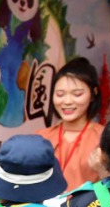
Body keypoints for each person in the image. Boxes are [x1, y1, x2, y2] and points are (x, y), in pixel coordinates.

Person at [38, 57, 104, 191]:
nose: (67, 101)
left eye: (77, 94)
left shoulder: (105, 138)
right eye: (60, 94)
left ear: (93, 95)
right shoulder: (40, 138)